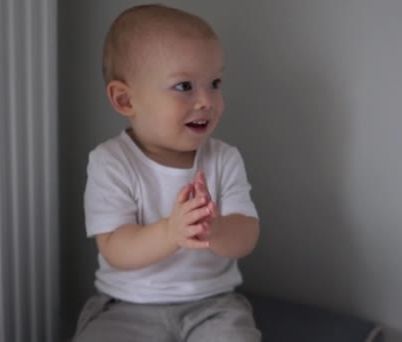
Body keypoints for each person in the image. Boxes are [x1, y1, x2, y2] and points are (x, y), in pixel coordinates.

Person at [73, 4, 261, 342]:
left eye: (215, 82)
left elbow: (247, 235)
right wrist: (170, 232)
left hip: (212, 305)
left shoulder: (224, 159)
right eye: (184, 86)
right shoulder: (111, 162)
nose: (207, 100)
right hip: (128, 306)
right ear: (125, 99)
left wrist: (215, 229)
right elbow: (116, 247)